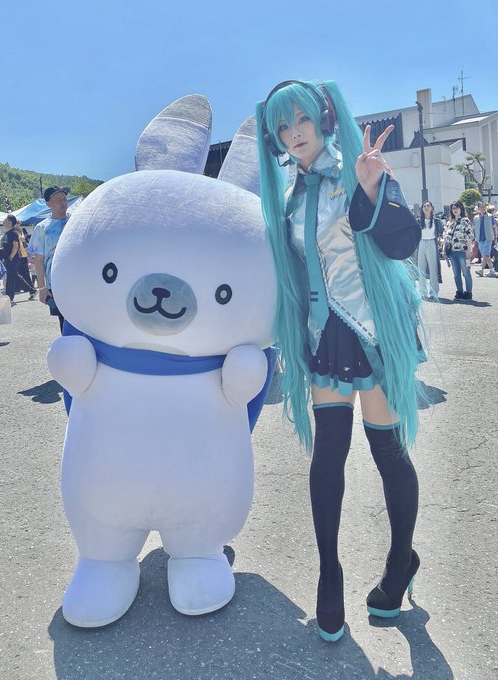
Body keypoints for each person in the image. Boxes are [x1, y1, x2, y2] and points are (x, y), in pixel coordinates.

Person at [256, 79, 424, 642]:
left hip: (371, 334)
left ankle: (400, 561)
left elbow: (401, 245)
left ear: (324, 119)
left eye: (302, 119)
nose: (294, 133)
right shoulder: (288, 196)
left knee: (387, 453)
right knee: (328, 455)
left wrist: (373, 191)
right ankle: (330, 574)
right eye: (283, 126)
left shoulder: (361, 170)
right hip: (324, 338)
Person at [27, 186, 70, 331]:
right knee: (65, 323)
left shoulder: (76, 221)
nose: (63, 203)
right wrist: (42, 287)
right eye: (58, 200)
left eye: (64, 199)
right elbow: (39, 260)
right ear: (48, 204)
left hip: (80, 279)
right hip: (57, 284)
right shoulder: (42, 228)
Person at [0, 214, 35, 305]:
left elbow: (15, 247)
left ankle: (10, 297)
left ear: (10, 222)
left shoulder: (13, 233)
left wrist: (11, 257)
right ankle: (31, 290)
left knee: (11, 278)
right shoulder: (7, 232)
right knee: (14, 275)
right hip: (7, 258)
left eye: (5, 220)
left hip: (12, 259)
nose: (3, 222)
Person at [444, 201, 474, 300]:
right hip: (452, 252)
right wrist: (444, 249)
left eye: (457, 208)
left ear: (461, 208)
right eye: (453, 208)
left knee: (466, 273)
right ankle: (459, 291)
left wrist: (469, 250)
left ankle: (468, 292)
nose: (455, 210)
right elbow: (446, 237)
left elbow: (469, 236)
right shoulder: (450, 222)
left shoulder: (465, 220)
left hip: (462, 251)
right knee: (456, 274)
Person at [417, 200, 443, 299]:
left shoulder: (436, 221)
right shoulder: (419, 221)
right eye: (424, 206)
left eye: (428, 206)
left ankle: (433, 293)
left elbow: (441, 231)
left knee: (433, 269)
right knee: (421, 268)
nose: (426, 208)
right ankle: (422, 292)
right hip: (421, 243)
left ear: (431, 208)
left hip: (432, 242)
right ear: (422, 209)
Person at [473, 202, 496, 277]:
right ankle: (492, 270)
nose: (482, 208)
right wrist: (474, 238)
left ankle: (481, 270)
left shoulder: (490, 216)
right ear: (478, 208)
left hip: (488, 238)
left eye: (484, 207)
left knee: (486, 254)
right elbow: (474, 228)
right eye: (481, 207)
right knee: (485, 255)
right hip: (479, 239)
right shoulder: (476, 218)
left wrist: (495, 237)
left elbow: (494, 227)